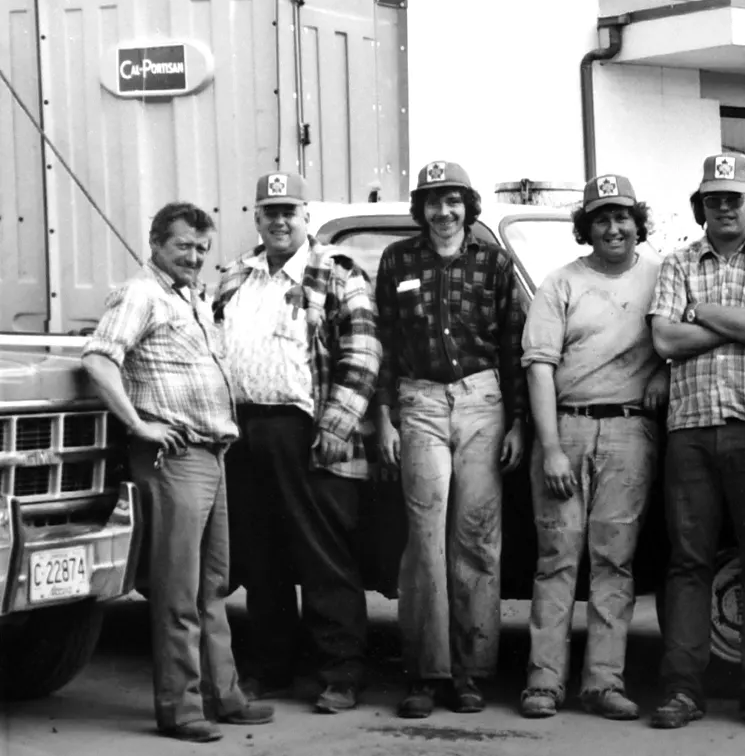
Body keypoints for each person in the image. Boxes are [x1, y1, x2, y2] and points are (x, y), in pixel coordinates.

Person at [81, 203, 273, 742]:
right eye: (184, 246)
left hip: (212, 455)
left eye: (201, 250)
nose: (194, 257)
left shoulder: (189, 298)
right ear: (157, 243)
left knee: (213, 586)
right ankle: (181, 708)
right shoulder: (140, 293)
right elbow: (99, 359)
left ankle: (224, 695)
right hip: (174, 459)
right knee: (177, 590)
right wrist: (139, 425)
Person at [214, 171, 380, 714]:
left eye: (289, 210)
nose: (279, 220)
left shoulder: (336, 274)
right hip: (245, 430)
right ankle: (270, 667)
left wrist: (335, 427)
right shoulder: (236, 275)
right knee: (261, 555)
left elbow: (361, 355)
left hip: (307, 432)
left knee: (324, 555)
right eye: (269, 211)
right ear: (256, 218)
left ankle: (341, 673)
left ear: (306, 215)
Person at [647, 152, 745, 732]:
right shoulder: (677, 261)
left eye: (733, 198)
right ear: (700, 206)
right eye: (713, 198)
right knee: (687, 561)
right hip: (690, 429)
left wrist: (704, 313)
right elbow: (663, 338)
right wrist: (739, 321)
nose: (724, 207)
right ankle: (683, 689)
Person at [373, 162, 527, 719]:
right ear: (421, 209)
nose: (444, 212)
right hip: (419, 402)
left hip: (483, 401)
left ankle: (471, 671)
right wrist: (384, 417)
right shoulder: (398, 261)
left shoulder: (494, 263)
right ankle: (425, 672)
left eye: (453, 201)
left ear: (468, 205)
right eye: (433, 202)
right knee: (424, 536)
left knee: (477, 536)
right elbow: (384, 342)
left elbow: (513, 347)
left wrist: (518, 421)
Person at [519, 174, 667, 720]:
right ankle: (543, 681)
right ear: (586, 227)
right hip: (568, 427)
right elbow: (539, 367)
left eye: (622, 216)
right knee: (557, 559)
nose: (613, 227)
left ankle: (604, 682)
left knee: (615, 560)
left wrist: (666, 378)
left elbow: (683, 343)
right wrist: (551, 447)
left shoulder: (660, 276)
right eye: (601, 218)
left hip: (630, 432)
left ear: (637, 223)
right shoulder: (560, 284)